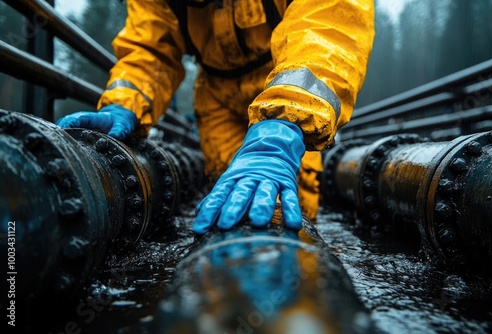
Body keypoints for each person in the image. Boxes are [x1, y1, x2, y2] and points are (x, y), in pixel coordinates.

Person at [57, 0, 375, 234]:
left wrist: (286, 119)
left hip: (284, 79)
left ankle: (294, 284)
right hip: (216, 98)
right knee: (229, 200)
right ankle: (228, 296)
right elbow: (150, 48)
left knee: (288, 198)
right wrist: (124, 101)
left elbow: (327, 28)